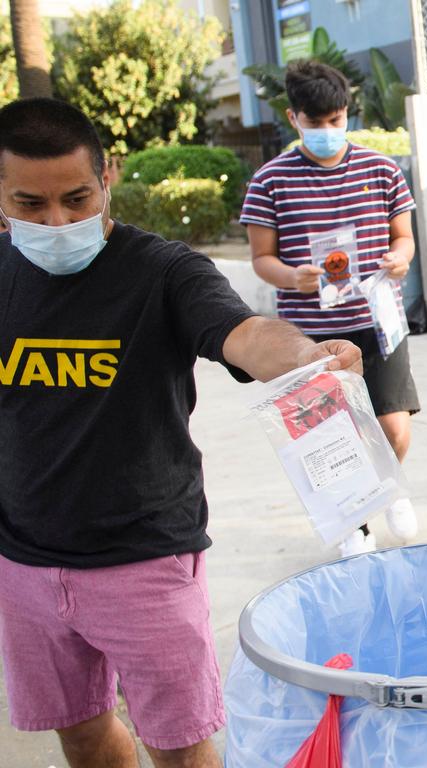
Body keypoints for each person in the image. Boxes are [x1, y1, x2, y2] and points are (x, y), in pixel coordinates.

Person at [0, 98, 362, 768]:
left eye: (78, 198)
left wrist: (310, 356)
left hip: (143, 559)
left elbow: (245, 334)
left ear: (107, 175)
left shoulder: (162, 271)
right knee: (78, 731)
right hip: (22, 560)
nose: (57, 223)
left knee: (181, 747)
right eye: (30, 205)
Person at [241, 60, 420, 557]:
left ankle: (387, 487)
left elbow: (404, 238)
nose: (327, 131)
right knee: (327, 436)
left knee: (392, 426)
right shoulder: (270, 181)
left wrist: (399, 259)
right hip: (308, 334)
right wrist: (291, 277)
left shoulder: (381, 170)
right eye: (314, 122)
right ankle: (354, 520)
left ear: (348, 114)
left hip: (378, 323)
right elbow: (262, 258)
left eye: (336, 120)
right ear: (292, 116)